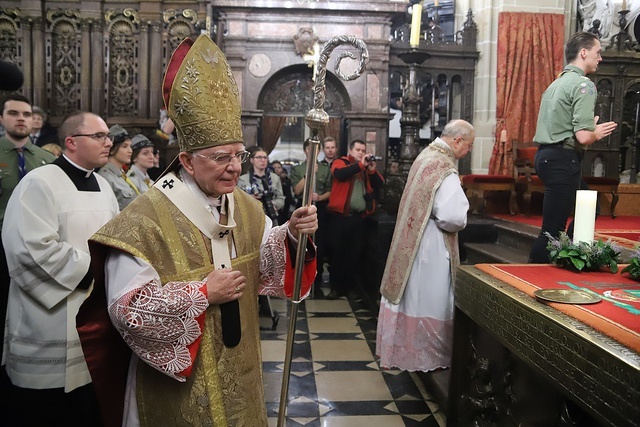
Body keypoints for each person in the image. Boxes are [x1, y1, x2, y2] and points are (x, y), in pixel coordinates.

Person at [76, 34, 318, 427]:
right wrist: (203, 293)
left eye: (238, 155)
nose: (236, 168)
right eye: (221, 158)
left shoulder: (247, 207)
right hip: (179, 390)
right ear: (187, 160)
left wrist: (292, 234)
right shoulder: (145, 219)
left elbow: (268, 263)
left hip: (242, 368)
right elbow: (128, 310)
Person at [2, 111, 119, 426]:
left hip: (97, 313)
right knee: (44, 410)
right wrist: (94, 271)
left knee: (87, 403)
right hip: (49, 316)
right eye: (99, 136)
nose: (109, 142)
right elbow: (29, 246)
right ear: (71, 142)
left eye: (108, 136)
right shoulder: (38, 183)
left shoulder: (105, 187)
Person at [376, 119, 474, 372]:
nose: (469, 151)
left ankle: (403, 349)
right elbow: (453, 216)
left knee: (412, 293)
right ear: (457, 140)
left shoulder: (425, 155)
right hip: (431, 241)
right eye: (469, 145)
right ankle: (427, 354)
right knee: (429, 294)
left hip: (413, 238)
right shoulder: (444, 166)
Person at [528, 31, 617, 263]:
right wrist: (595, 132)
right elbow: (583, 137)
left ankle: (567, 256)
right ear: (583, 52)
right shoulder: (583, 85)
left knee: (592, 204)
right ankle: (529, 278)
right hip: (562, 159)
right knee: (551, 230)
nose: (600, 58)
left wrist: (588, 129)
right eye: (598, 53)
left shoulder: (556, 83)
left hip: (546, 156)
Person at [326, 139, 384, 300]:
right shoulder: (340, 162)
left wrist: (371, 171)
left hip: (359, 218)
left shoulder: (364, 168)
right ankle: (336, 288)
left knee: (354, 254)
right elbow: (340, 174)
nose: (361, 153)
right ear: (350, 151)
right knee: (337, 254)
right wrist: (360, 165)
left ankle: (350, 288)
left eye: (363, 150)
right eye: (358, 150)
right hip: (339, 218)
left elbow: (380, 184)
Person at [290, 138, 333, 292]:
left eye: (316, 148)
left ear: (319, 150)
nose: (312, 151)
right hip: (302, 210)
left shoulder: (325, 169)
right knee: (301, 246)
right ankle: (300, 282)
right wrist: (308, 174)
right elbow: (296, 190)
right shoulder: (297, 169)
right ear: (305, 150)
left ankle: (317, 281)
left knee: (318, 246)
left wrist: (320, 197)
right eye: (309, 148)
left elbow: (330, 190)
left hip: (320, 209)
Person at [238, 148, 285, 225]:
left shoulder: (274, 178)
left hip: (271, 217)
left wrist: (270, 204)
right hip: (251, 217)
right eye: (259, 157)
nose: (262, 160)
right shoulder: (243, 179)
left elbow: (281, 198)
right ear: (252, 160)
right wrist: (250, 199)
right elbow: (238, 200)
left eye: (265, 157)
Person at [98, 124, 140, 210]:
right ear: (112, 149)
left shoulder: (124, 176)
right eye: (125, 146)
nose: (130, 151)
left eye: (130, 146)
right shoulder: (105, 177)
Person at [271, 160, 295, 224]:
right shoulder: (270, 181)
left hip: (286, 206)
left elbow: (290, 193)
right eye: (274, 168)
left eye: (279, 168)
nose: (277, 170)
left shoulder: (286, 181)